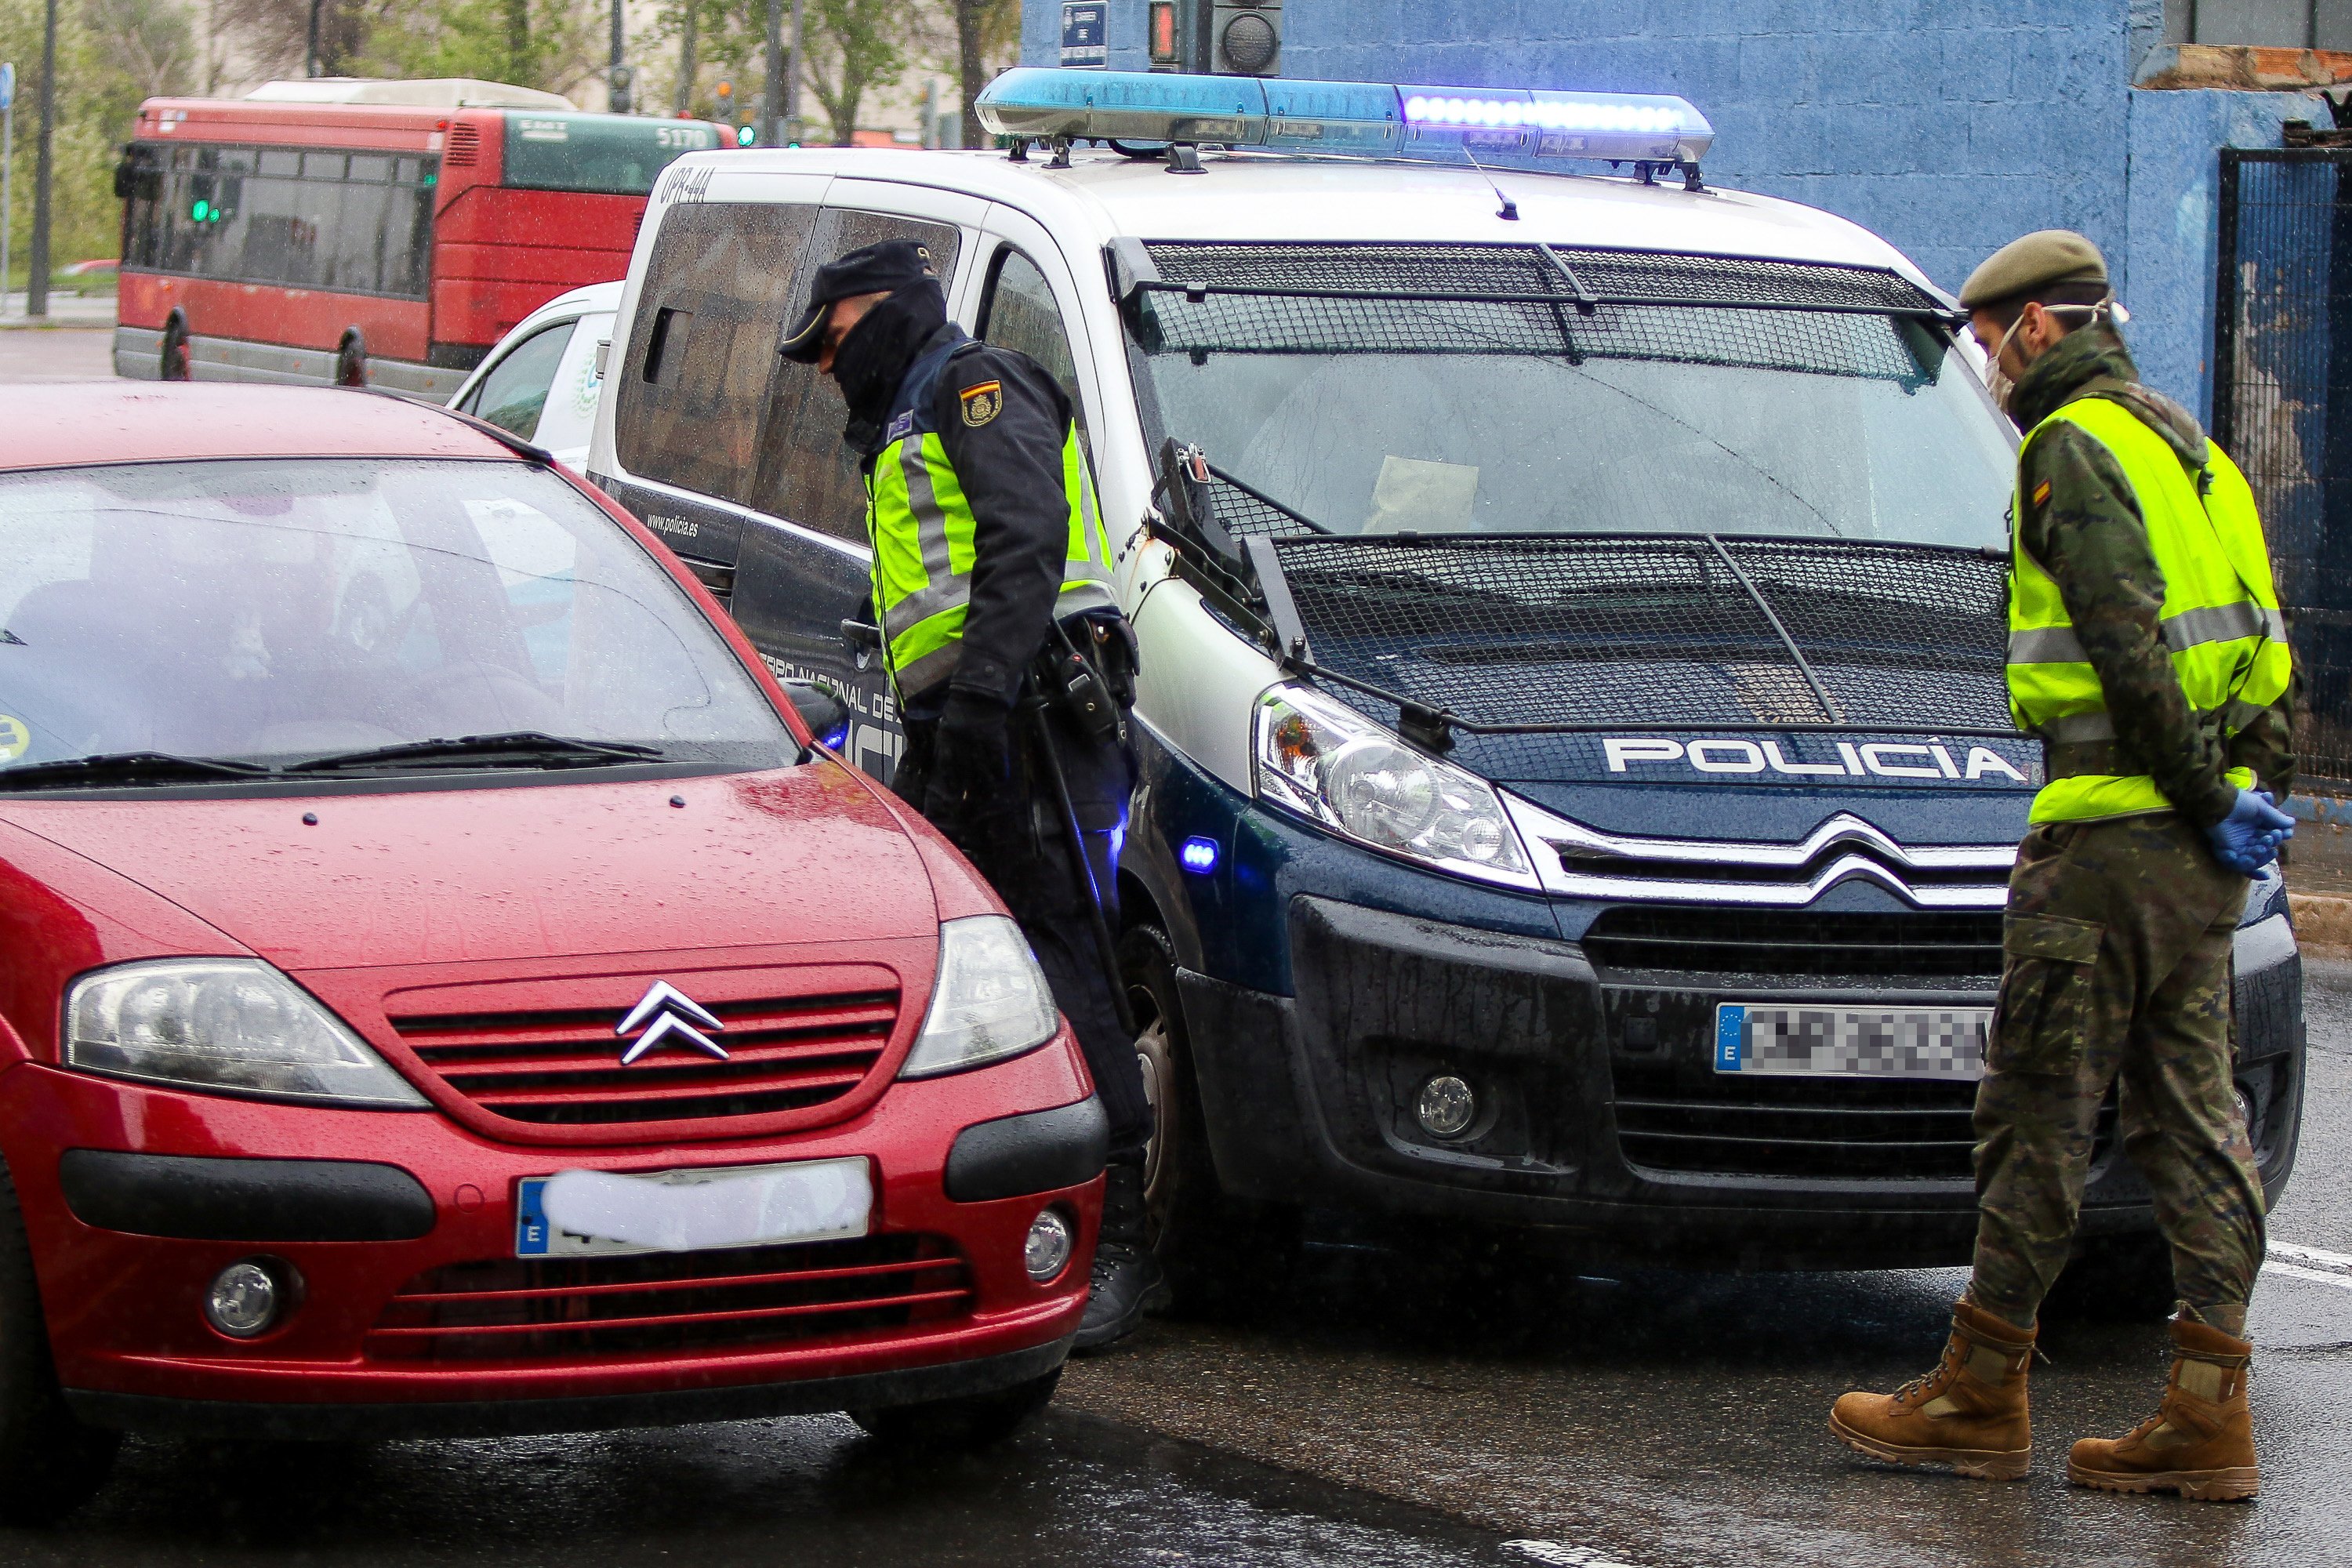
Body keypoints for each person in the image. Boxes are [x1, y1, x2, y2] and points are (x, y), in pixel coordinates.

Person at [1828, 230, 2296, 1501]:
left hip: (2104, 846)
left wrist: (2195, 795)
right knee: (2196, 1122)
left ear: (2038, 327)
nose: (1981, 363)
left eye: (1985, 340)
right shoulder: (2196, 454)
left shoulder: (2070, 447)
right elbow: (2264, 647)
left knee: (2035, 1105)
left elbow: (2126, 642)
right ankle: (2210, 1413)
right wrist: (2247, 802)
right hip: (2197, 858)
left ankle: (1980, 1391)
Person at [779, 238, 1166, 1349]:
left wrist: (987, 708)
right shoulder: (909, 418)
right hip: (973, 726)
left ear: (889, 313)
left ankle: (1118, 1241)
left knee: (1066, 960)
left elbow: (1028, 542)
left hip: (1031, 720)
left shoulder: (971, 385)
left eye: (835, 340)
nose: (823, 367)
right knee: (927, 959)